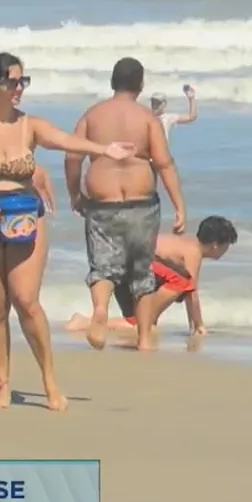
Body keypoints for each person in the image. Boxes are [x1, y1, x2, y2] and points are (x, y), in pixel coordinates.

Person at [0, 52, 135, 412]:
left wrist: (103, 149)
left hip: (25, 217)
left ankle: (49, 382)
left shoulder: (29, 124)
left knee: (27, 301)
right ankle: (2, 386)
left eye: (22, 82)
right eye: (13, 82)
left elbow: (64, 141)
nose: (19, 89)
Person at [65, 57, 187, 352]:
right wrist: (179, 205)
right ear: (140, 84)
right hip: (142, 204)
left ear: (112, 82)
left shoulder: (92, 115)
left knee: (103, 267)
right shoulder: (147, 119)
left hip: (102, 203)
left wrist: (75, 194)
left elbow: (72, 156)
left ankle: (100, 310)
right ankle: (144, 339)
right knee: (141, 272)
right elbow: (164, 163)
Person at [66, 215, 237, 336]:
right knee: (181, 284)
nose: (226, 250)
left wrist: (193, 326)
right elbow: (191, 293)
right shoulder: (194, 251)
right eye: (226, 245)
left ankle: (87, 323)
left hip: (124, 263)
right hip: (131, 267)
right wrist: (198, 326)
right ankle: (84, 323)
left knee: (141, 324)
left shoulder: (185, 243)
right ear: (215, 245)